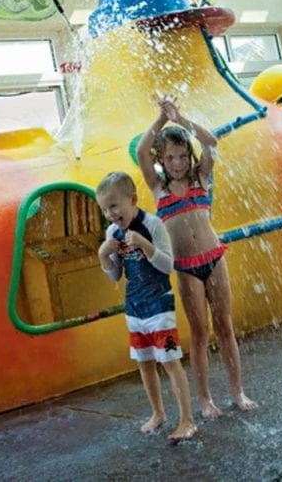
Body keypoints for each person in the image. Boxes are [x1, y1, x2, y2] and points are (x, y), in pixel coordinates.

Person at [136, 95, 257, 419]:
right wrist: (161, 120)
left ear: (189, 156)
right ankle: (204, 399)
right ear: (161, 159)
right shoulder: (158, 188)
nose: (178, 163)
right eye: (171, 157)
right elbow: (139, 153)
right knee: (201, 333)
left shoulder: (200, 178)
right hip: (187, 269)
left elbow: (211, 141)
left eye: (182, 155)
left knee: (225, 327)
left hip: (214, 258)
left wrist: (181, 118)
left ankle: (238, 392)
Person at [96, 171, 197, 441]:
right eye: (105, 209)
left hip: (159, 311)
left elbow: (168, 265)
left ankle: (187, 420)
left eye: (114, 206)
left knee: (170, 362)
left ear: (133, 199)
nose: (110, 214)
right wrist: (103, 256)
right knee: (144, 363)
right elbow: (115, 275)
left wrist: (143, 244)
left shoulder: (153, 225)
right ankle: (158, 413)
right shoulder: (112, 232)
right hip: (135, 311)